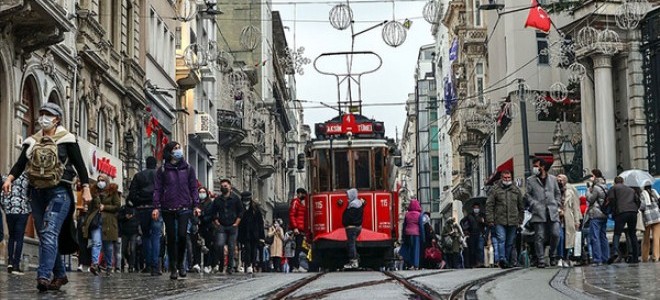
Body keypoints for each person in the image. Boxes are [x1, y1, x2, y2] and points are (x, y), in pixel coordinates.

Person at [3, 103, 91, 291]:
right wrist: (9, 179)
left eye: (48, 114)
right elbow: (20, 164)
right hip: (37, 193)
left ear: (57, 118)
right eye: (41, 113)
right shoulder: (32, 141)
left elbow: (80, 165)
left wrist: (86, 188)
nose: (43, 117)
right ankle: (59, 275)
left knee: (49, 231)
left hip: (60, 193)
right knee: (44, 235)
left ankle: (43, 276)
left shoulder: (67, 139)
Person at [153, 141, 201, 280]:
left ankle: (181, 263)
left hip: (184, 206)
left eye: (179, 148)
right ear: (170, 152)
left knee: (182, 236)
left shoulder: (188, 169)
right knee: (171, 238)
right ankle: (173, 266)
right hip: (168, 207)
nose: (178, 151)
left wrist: (196, 204)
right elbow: (158, 189)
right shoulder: (162, 170)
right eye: (175, 148)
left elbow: (193, 187)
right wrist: (156, 206)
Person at [127, 156, 163, 276]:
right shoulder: (160, 175)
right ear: (155, 164)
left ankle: (147, 264)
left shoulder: (138, 176)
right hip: (156, 208)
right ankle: (155, 266)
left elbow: (132, 193)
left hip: (142, 209)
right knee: (156, 236)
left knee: (146, 236)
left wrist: (138, 202)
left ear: (146, 164)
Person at [526, 158, 561, 268]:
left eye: (536, 166)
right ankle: (540, 258)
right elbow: (527, 195)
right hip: (538, 212)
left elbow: (557, 193)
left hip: (552, 211)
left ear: (543, 167)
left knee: (556, 234)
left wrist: (556, 203)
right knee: (539, 236)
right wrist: (534, 204)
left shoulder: (553, 179)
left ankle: (553, 255)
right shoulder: (530, 180)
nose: (535, 168)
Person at [82, 175, 120, 276]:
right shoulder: (94, 191)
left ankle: (108, 266)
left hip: (108, 222)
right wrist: (85, 222)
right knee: (96, 242)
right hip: (96, 221)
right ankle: (94, 264)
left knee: (108, 246)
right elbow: (90, 209)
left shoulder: (113, 191)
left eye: (102, 180)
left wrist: (105, 207)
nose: (100, 182)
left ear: (106, 181)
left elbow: (117, 206)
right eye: (99, 180)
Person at [485, 170, 524, 269]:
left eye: (509, 178)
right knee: (501, 240)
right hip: (499, 220)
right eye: (505, 178)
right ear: (501, 178)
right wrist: (490, 219)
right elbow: (489, 205)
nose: (507, 180)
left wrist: (520, 219)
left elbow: (521, 206)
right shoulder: (495, 190)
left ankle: (506, 259)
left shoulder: (516, 190)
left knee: (510, 242)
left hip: (513, 220)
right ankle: (502, 259)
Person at [211, 179, 243, 275]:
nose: (224, 187)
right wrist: (217, 222)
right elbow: (213, 212)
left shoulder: (235, 198)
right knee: (220, 245)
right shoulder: (217, 199)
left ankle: (230, 267)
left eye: (225, 186)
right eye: (222, 186)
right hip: (222, 225)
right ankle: (221, 263)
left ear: (230, 187)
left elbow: (241, 212)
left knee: (231, 246)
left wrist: (236, 223)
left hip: (232, 225)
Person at [1, 173, 31, 275]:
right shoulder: (27, 178)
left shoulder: (6, 178)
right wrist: (29, 209)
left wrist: (5, 207)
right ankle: (16, 265)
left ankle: (9, 262)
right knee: (19, 238)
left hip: (10, 211)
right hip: (22, 210)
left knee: (11, 236)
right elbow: (30, 194)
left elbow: (2, 194)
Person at [608, 176, 641, 264]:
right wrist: (635, 209)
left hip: (621, 212)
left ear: (615, 182)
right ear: (623, 182)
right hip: (633, 212)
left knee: (617, 233)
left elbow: (611, 200)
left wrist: (614, 211)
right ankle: (635, 256)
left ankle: (614, 253)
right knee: (632, 234)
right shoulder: (631, 189)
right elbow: (638, 201)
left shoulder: (613, 188)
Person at [557, 174, 581, 267]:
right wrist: (559, 211)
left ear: (565, 181)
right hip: (558, 218)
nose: (559, 182)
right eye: (558, 180)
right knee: (560, 237)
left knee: (568, 240)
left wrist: (577, 220)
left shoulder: (571, 191)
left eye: (561, 180)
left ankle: (566, 258)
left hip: (568, 218)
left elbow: (575, 207)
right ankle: (560, 257)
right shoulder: (555, 191)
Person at [586, 169, 609, 266]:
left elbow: (591, 199)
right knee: (603, 236)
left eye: (591, 176)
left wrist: (588, 190)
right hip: (604, 214)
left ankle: (597, 259)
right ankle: (605, 257)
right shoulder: (605, 186)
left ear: (595, 176)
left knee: (595, 237)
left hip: (595, 214)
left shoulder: (595, 187)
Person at [238, 191, 265, 274]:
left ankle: (252, 264)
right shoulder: (240, 207)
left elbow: (260, 223)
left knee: (253, 249)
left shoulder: (255, 208)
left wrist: (261, 236)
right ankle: (248, 264)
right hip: (244, 232)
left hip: (254, 233)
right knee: (247, 249)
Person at [342, 188, 365, 269]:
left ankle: (353, 261)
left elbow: (349, 216)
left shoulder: (353, 205)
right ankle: (356, 259)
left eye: (348, 195)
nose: (347, 197)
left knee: (351, 244)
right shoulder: (358, 203)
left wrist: (346, 222)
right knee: (352, 243)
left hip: (351, 227)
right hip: (356, 227)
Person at [399, 199, 424, 270]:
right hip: (416, 234)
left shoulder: (407, 215)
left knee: (409, 249)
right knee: (416, 250)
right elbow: (421, 227)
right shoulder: (419, 215)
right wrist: (422, 237)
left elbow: (404, 226)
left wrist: (403, 236)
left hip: (408, 233)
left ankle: (410, 264)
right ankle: (416, 265)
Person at [288, 188, 308, 272]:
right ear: (299, 194)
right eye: (303, 194)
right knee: (298, 248)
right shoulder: (296, 202)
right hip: (298, 229)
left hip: (301, 229)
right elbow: (292, 214)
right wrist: (295, 227)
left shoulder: (300, 203)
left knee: (299, 247)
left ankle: (296, 265)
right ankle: (295, 266)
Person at [640, 181, 660, 262]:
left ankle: (645, 257)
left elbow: (642, 206)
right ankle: (656, 256)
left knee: (646, 238)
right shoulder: (654, 192)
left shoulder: (642, 194)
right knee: (657, 238)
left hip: (648, 218)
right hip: (657, 217)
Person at [118, 203, 141, 272]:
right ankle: (123, 265)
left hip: (133, 232)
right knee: (123, 250)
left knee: (132, 249)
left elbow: (139, 220)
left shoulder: (136, 209)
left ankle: (131, 266)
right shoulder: (123, 208)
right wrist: (125, 217)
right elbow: (119, 218)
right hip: (125, 232)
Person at [198, 187, 216, 274]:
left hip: (208, 227)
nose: (201, 194)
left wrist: (202, 216)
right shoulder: (196, 203)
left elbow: (211, 215)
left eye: (203, 192)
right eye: (200, 192)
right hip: (198, 227)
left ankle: (207, 264)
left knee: (207, 246)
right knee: (198, 245)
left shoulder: (210, 203)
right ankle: (197, 263)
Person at [463, 203, 486, 268]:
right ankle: (474, 263)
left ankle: (481, 262)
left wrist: (483, 221)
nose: (476, 209)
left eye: (477, 208)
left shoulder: (482, 215)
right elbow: (462, 222)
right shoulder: (469, 216)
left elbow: (487, 224)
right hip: (472, 234)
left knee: (480, 248)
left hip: (480, 234)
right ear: (473, 208)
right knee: (473, 249)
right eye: (475, 208)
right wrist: (465, 230)